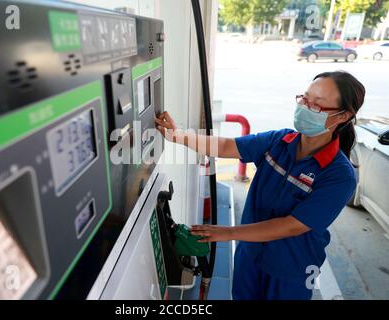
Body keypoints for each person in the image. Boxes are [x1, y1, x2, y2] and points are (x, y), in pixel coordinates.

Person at [154, 71, 365, 300]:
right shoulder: (279, 141)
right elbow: (227, 146)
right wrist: (177, 136)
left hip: (291, 269)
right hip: (250, 254)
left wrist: (229, 233)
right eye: (304, 99)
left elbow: (293, 225)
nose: (305, 107)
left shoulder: (340, 175)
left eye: (317, 106)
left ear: (342, 116)